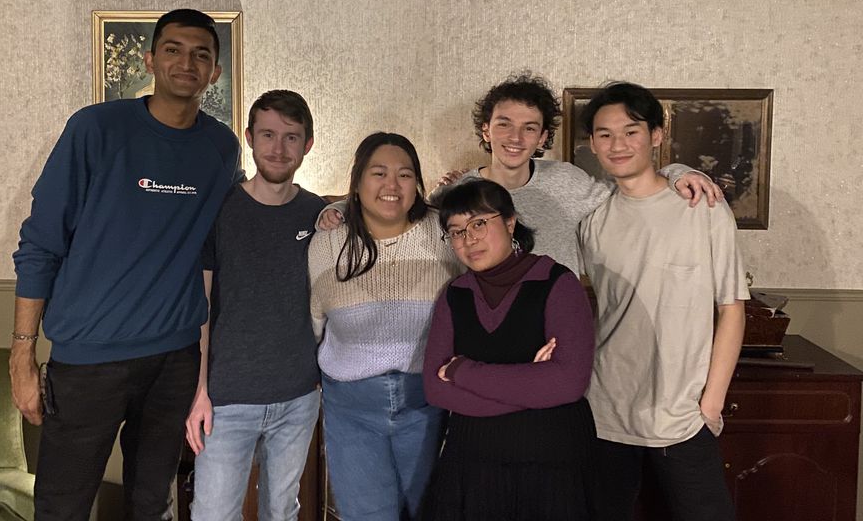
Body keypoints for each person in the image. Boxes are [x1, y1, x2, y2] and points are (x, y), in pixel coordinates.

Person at [10, 9, 242, 520]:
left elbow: (242, 220)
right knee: (62, 507)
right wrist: (22, 354)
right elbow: (41, 243)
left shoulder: (221, 148)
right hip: (88, 359)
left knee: (151, 504)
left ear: (215, 72)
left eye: (201, 54)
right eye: (173, 50)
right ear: (150, 60)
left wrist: (335, 212)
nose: (187, 63)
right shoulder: (94, 129)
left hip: (174, 359)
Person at [578, 82, 748, 521]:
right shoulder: (591, 219)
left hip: (684, 415)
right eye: (604, 134)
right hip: (606, 410)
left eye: (631, 131)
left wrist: (710, 405)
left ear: (656, 134)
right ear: (592, 143)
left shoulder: (703, 205)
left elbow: (731, 308)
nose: (617, 144)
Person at [185, 90, 326, 521]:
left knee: (281, 512)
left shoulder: (318, 214)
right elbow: (201, 308)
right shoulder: (219, 211)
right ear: (249, 137)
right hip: (226, 399)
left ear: (307, 144)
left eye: (290, 137)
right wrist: (199, 391)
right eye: (267, 135)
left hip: (299, 396)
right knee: (212, 514)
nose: (278, 148)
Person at [422, 179, 596, 521]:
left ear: (510, 222)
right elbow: (434, 389)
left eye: (479, 223)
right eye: (456, 231)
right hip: (472, 467)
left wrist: (461, 371)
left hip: (552, 466)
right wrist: (533, 386)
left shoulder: (557, 283)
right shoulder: (455, 294)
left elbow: (569, 383)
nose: (469, 239)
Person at [429, 72, 722, 275]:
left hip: (561, 328)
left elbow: (634, 187)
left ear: (543, 138)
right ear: (486, 130)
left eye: (529, 128)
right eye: (504, 124)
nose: (515, 137)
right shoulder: (456, 192)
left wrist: (676, 172)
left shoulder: (566, 180)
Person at [308, 132, 460, 521]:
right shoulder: (327, 244)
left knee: (430, 511)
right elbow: (314, 323)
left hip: (428, 402)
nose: (392, 185)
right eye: (378, 173)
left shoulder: (445, 235)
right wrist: (336, 207)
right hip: (351, 408)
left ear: (417, 184)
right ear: (358, 182)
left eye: (404, 175)